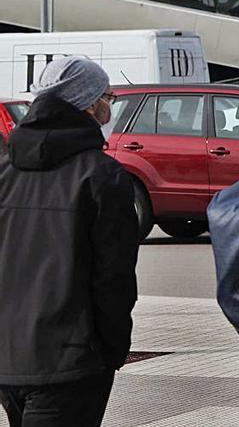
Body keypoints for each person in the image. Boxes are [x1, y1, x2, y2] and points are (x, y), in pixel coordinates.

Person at [0, 57, 139, 427]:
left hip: (9, 356)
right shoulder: (102, 175)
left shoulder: (4, 169)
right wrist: (113, 349)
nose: (111, 106)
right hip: (72, 360)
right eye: (108, 96)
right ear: (91, 104)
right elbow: (114, 278)